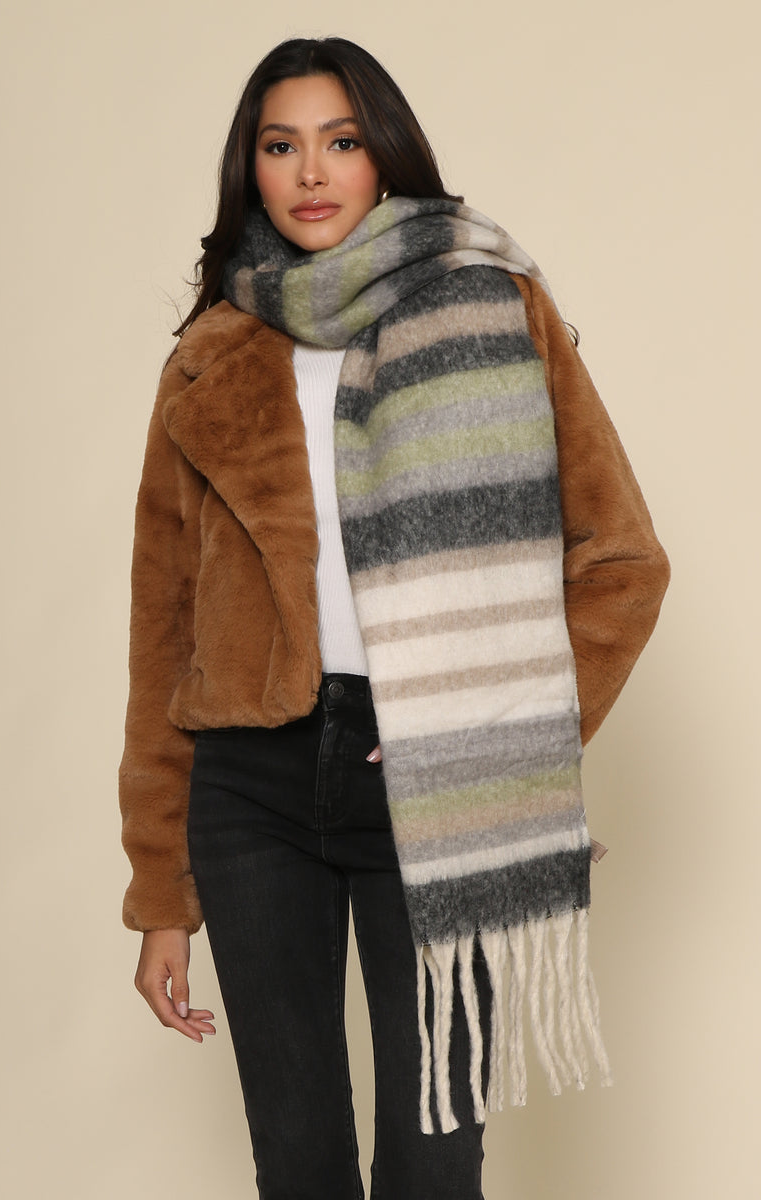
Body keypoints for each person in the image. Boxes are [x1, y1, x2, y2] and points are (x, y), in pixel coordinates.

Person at [119, 36, 669, 1200]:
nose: (311, 172)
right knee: (298, 1166)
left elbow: (621, 563)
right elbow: (163, 630)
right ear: (250, 169)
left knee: (431, 1164)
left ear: (383, 155)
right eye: (280, 146)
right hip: (249, 791)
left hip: (437, 779)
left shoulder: (492, 307)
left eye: (340, 140)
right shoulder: (210, 356)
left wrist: (491, 734)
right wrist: (161, 897)